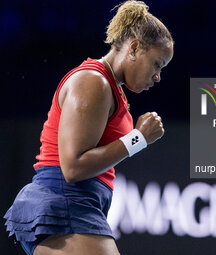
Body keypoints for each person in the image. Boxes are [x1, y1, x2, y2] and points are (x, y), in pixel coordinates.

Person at [4, 1, 174, 254]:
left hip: (80, 205)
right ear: (134, 48)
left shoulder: (111, 88)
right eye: (157, 64)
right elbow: (73, 167)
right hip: (65, 204)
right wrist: (138, 138)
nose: (158, 76)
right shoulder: (93, 82)